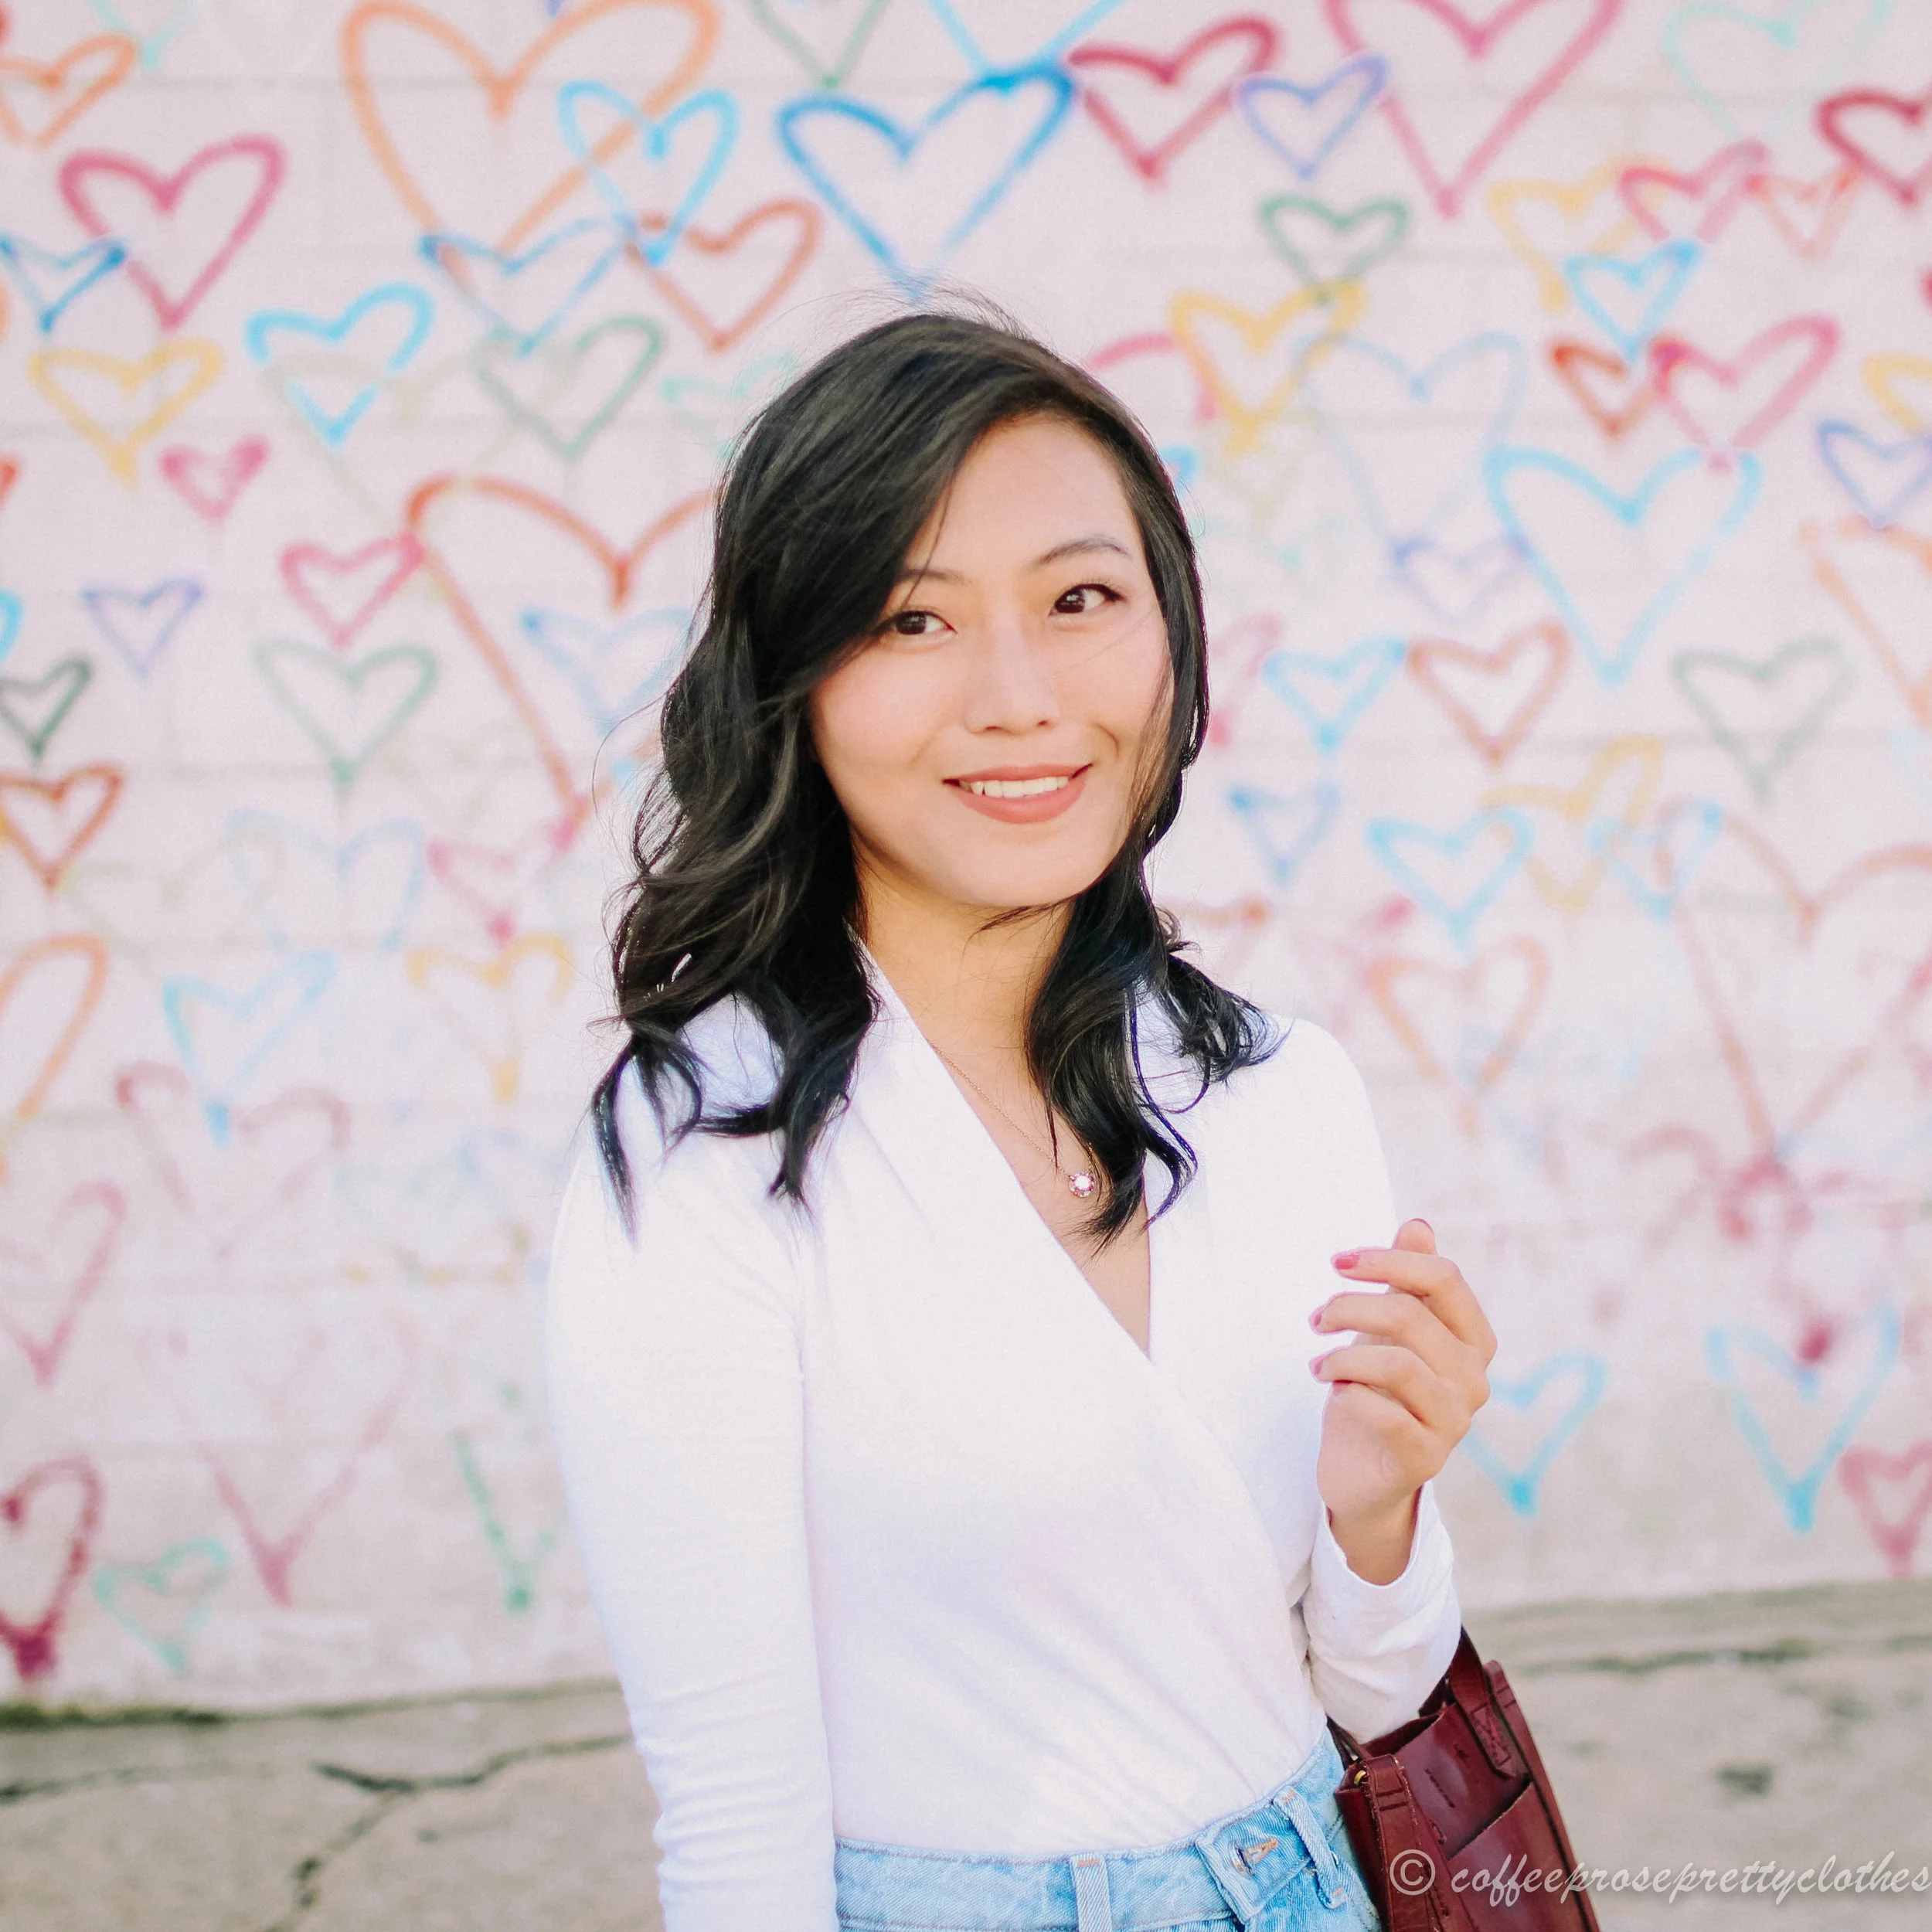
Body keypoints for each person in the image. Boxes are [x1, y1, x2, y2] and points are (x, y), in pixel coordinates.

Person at [543, 309, 1497, 1932]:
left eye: (1078, 600)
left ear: (1170, 635)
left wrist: (1375, 1502)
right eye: (910, 621)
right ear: (793, 675)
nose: (1017, 696)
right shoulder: (705, 1150)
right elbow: (732, 1814)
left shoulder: (1279, 1087)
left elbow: (1379, 1684)